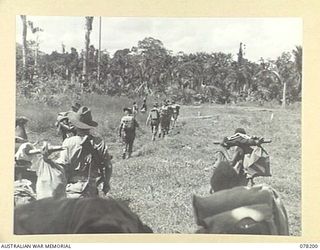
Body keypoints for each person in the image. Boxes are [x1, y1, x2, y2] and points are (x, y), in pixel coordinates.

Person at [42, 106, 112, 198]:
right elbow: (108, 166)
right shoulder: (99, 141)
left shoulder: (68, 142)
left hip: (73, 191)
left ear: (75, 125)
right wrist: (106, 183)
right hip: (91, 190)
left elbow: (61, 168)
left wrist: (47, 160)